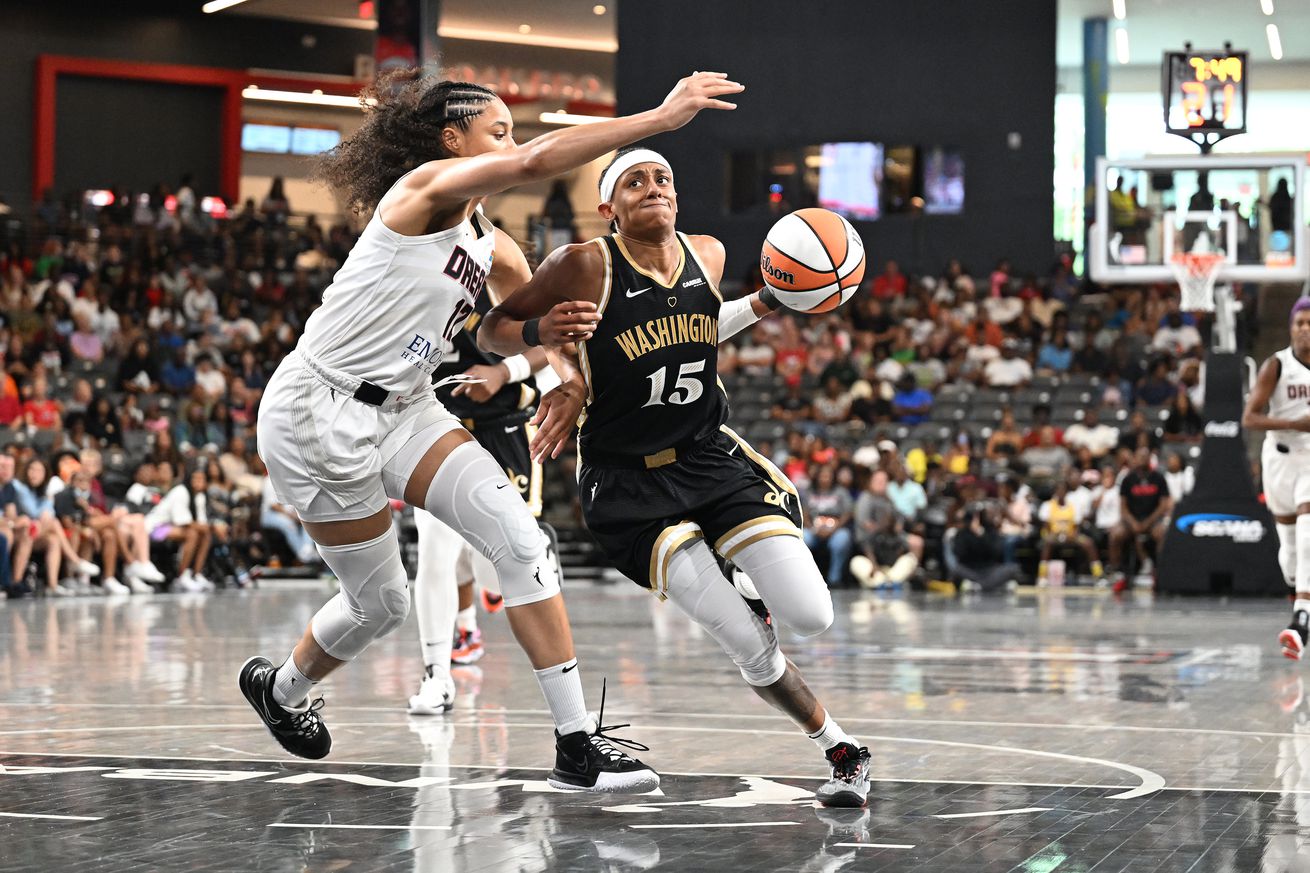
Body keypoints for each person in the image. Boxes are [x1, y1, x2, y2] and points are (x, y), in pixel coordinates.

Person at [242, 69, 741, 793]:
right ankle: (282, 689)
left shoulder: (496, 247)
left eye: (511, 134)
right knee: (382, 604)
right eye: (499, 131)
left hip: (409, 408)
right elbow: (539, 161)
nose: (514, 144)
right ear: (452, 141)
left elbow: (509, 336)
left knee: (524, 541)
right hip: (319, 412)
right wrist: (660, 118)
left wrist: (560, 368)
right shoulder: (420, 193)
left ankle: (577, 745)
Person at [480, 146, 873, 807]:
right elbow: (493, 329)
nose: (653, 186)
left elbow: (696, 328)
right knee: (748, 646)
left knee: (811, 614)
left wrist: (764, 302)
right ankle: (840, 747)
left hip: (705, 456)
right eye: (634, 180)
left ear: (678, 197)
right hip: (629, 485)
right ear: (609, 208)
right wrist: (549, 343)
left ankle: (751, 581)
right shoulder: (582, 264)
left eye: (664, 176)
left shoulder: (709, 256)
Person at [407, 261, 557, 716]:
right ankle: (436, 674)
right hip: (438, 429)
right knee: (434, 551)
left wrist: (501, 374)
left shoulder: (508, 286)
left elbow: (551, 344)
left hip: (503, 433)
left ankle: (521, 561)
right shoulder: (417, 287)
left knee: (499, 560)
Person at [1243, 300, 1310, 659]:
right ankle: (1299, 592)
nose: (1304, 328)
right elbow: (1249, 419)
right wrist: (1293, 424)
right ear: (1290, 327)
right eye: (1299, 322)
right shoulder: (1276, 365)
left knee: (1308, 531)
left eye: (1309, 323)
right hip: (1279, 459)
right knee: (1289, 556)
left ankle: (1301, 621)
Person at [1109, 447, 1172, 585]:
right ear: (1135, 459)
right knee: (1115, 534)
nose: (1142, 459)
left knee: (1162, 534)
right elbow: (1123, 506)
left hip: (1153, 519)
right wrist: (1133, 523)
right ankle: (1117, 572)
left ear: (1150, 458)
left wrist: (1148, 522)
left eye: (1145, 456)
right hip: (1132, 520)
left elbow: (1163, 505)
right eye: (1139, 456)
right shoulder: (1128, 479)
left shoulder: (1159, 478)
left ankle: (1160, 571)